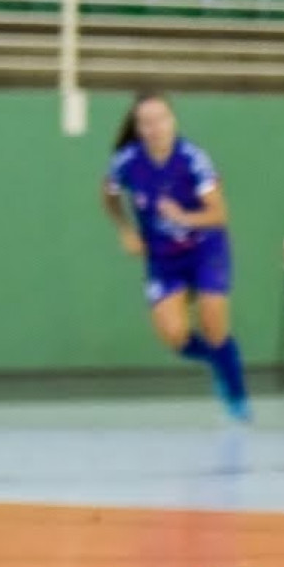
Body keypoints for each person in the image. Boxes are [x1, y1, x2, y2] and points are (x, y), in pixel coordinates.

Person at [101, 93, 250, 421]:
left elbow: (219, 214)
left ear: (173, 121)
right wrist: (125, 230)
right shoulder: (127, 161)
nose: (155, 128)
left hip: (205, 248)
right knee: (175, 336)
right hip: (163, 257)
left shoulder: (193, 159)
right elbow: (108, 195)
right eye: (146, 122)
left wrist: (184, 216)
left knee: (213, 324)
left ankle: (236, 396)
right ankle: (217, 359)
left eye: (161, 119)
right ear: (138, 128)